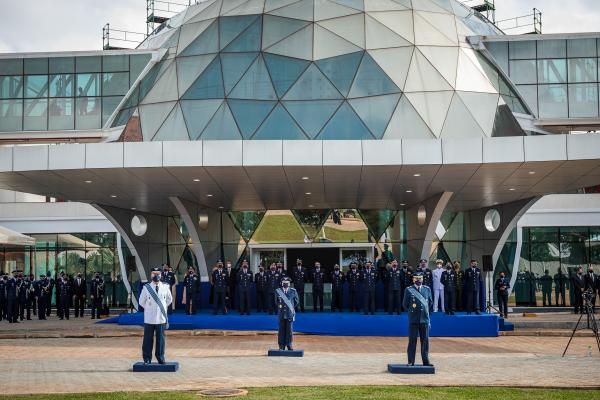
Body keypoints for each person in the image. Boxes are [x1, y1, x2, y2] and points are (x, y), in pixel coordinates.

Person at [139, 267, 173, 365]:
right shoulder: (146, 287)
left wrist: (161, 307)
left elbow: (169, 300)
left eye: (158, 273)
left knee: (160, 340)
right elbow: (141, 302)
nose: (156, 275)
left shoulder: (165, 286)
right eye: (154, 273)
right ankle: (147, 359)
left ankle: (160, 358)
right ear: (151, 275)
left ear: (161, 275)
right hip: (149, 318)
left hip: (161, 317)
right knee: (147, 340)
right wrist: (150, 308)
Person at [403, 273, 433, 367]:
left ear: (422, 279)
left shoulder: (427, 289)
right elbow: (405, 305)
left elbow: (430, 303)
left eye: (420, 278)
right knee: (412, 341)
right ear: (413, 279)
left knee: (425, 341)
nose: (418, 280)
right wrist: (412, 313)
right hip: (414, 320)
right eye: (416, 278)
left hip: (424, 319)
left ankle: (426, 361)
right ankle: (411, 361)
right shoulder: (408, 290)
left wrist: (426, 314)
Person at [275, 277, 299, 351]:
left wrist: (291, 308)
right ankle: (281, 346)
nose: (285, 284)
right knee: (281, 330)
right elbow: (276, 301)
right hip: (281, 314)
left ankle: (289, 344)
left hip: (289, 314)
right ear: (282, 283)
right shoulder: (278, 291)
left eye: (287, 282)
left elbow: (296, 301)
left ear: (289, 283)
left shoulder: (293, 291)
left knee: (289, 330)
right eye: (284, 282)